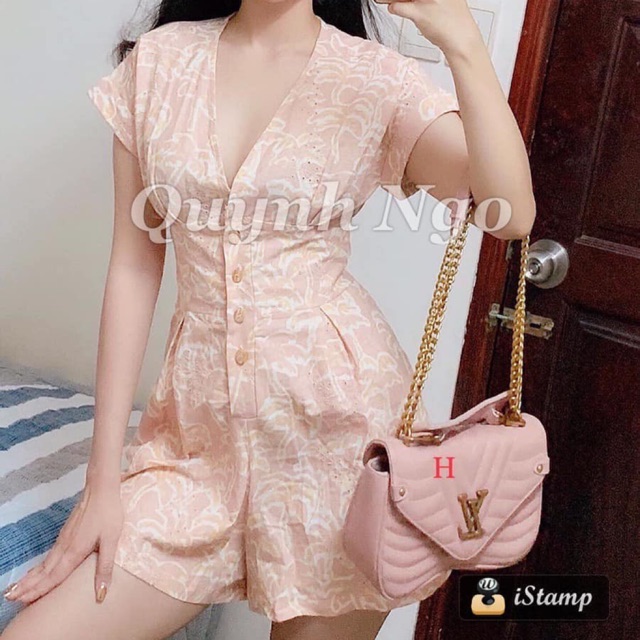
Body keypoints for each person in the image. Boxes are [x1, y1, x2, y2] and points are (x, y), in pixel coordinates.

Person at [1, 1, 535, 639]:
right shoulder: (158, 63)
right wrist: (103, 482)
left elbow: (510, 215)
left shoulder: (375, 78)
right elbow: (135, 267)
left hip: (343, 445)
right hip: (195, 447)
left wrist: (464, 44)